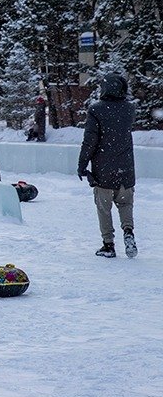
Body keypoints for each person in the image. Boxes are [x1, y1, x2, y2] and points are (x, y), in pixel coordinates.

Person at [79, 72, 137, 258]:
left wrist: (82, 165)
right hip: (126, 168)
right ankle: (128, 232)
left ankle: (108, 245)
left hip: (103, 170)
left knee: (104, 208)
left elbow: (90, 141)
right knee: (126, 204)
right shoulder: (129, 109)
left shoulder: (96, 110)